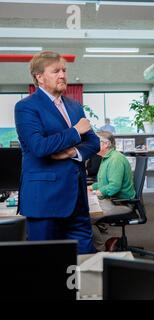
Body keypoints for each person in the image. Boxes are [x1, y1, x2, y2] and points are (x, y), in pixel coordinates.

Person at [14, 51, 100, 253]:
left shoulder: (75, 107)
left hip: (77, 199)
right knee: (46, 266)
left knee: (85, 261)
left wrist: (72, 153)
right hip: (45, 201)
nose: (62, 75)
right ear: (40, 77)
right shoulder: (26, 107)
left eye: (64, 70)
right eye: (56, 71)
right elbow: (39, 147)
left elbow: (94, 143)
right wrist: (76, 131)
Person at [88, 131, 135, 200]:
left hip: (120, 202)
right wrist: (90, 187)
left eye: (95, 142)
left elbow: (114, 187)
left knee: (87, 208)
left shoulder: (115, 159)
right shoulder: (107, 157)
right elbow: (104, 183)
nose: (92, 145)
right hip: (112, 198)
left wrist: (94, 193)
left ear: (106, 144)